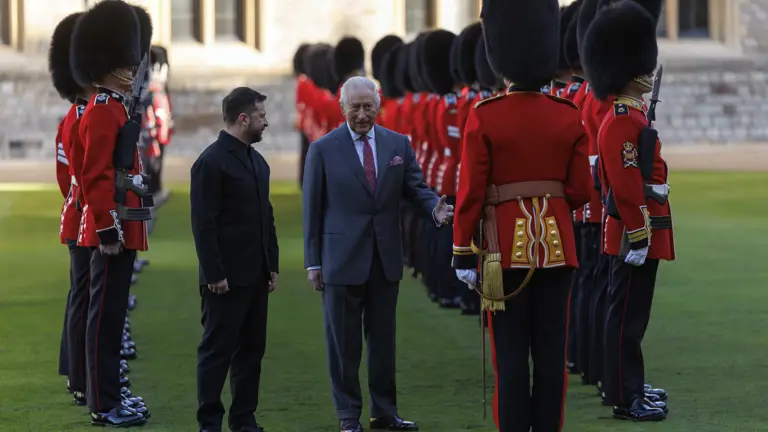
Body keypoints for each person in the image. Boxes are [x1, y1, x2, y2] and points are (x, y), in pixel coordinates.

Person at [452, 1, 592, 431]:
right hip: (557, 249)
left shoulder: (485, 116)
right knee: (551, 354)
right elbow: (582, 191)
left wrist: (462, 251)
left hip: (499, 251)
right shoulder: (568, 116)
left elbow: (470, 192)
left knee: (509, 355)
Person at [302, 76, 453, 432]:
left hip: (384, 258)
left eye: (368, 106)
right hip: (340, 259)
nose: (362, 114)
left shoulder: (397, 143)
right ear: (342, 109)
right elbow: (313, 209)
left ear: (378, 105)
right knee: (344, 347)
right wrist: (313, 262)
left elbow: (416, 188)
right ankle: (348, 416)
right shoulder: (323, 149)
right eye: (354, 107)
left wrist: (434, 210)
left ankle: (384, 412)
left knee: (383, 345)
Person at [582, 0, 673, 421]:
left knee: (634, 317)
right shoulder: (621, 120)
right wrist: (638, 232)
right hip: (634, 232)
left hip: (643, 229)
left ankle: (632, 387)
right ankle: (624, 396)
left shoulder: (632, 116)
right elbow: (624, 181)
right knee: (625, 321)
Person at [70, 0, 153, 426]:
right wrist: (107, 229)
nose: (133, 64)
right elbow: (95, 176)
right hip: (110, 228)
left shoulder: (116, 105)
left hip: (123, 226)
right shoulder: (103, 109)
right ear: (110, 62)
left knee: (113, 315)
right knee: (104, 320)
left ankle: (111, 396)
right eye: (127, 58)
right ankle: (103, 405)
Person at [190, 87, 278, 432]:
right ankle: (209, 423)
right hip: (224, 280)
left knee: (251, 353)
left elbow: (265, 218)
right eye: (261, 116)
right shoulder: (210, 163)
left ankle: (244, 420)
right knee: (216, 355)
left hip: (255, 277)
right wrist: (214, 273)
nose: (266, 123)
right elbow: (203, 224)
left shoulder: (258, 162)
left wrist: (271, 264)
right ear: (243, 119)